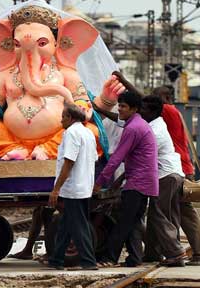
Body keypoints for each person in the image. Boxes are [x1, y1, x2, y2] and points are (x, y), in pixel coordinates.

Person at [94, 91, 158, 268]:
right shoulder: (138, 124)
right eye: (119, 106)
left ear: (134, 109)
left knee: (123, 221)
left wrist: (99, 182)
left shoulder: (133, 128)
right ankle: (135, 258)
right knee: (133, 222)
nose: (120, 109)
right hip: (144, 181)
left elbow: (117, 158)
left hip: (138, 182)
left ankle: (109, 257)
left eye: (123, 106)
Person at [154, 86, 200, 266]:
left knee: (185, 214)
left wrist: (124, 81)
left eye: (156, 98)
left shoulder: (169, 110)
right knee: (172, 211)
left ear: (165, 97)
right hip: (180, 168)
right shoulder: (174, 112)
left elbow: (143, 102)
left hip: (178, 170)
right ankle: (157, 252)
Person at [47, 104, 98, 270]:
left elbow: (69, 162)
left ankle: (89, 262)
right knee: (66, 224)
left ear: (71, 118)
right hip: (83, 186)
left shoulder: (71, 133)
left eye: (63, 116)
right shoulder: (87, 132)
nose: (61, 120)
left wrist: (56, 189)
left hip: (74, 187)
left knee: (78, 225)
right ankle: (56, 260)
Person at [140, 95, 186, 266]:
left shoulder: (154, 131)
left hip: (165, 175)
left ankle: (175, 252)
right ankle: (153, 252)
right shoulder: (156, 124)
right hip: (174, 173)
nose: (140, 111)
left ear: (152, 111)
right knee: (169, 214)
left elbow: (144, 157)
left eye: (143, 109)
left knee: (157, 214)